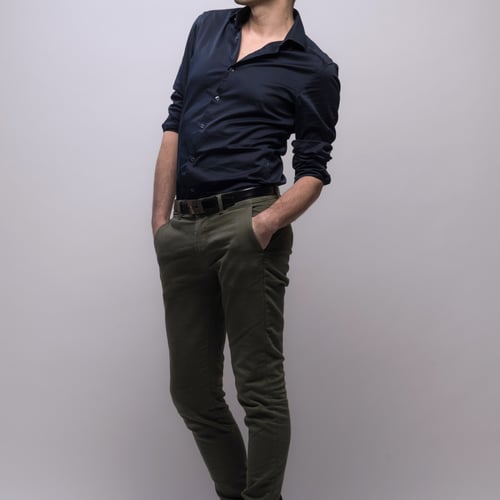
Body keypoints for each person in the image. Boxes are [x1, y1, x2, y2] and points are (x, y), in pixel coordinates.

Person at [151, 1, 340, 499]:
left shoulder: (314, 68)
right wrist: (160, 223)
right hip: (183, 226)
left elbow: (313, 170)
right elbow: (175, 120)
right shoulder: (208, 27)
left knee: (259, 389)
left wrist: (265, 224)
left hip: (248, 224)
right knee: (191, 392)